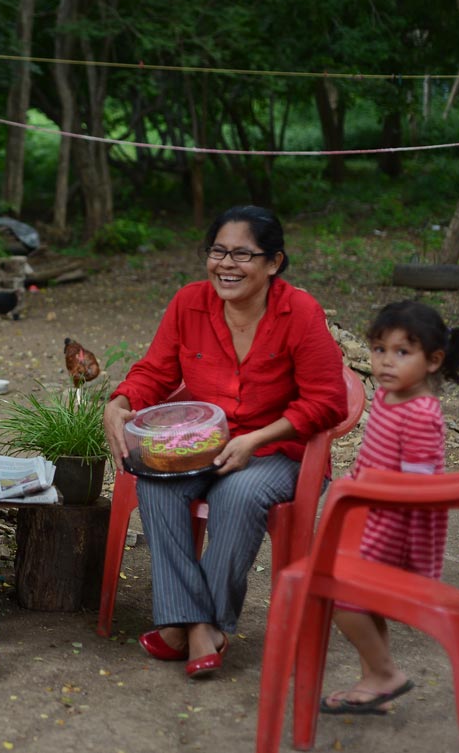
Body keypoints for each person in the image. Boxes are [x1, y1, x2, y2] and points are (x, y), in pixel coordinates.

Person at [103, 205, 346, 679]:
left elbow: (328, 401)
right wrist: (121, 400)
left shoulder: (299, 312)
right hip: (202, 445)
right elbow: (155, 371)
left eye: (242, 254)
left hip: (279, 452)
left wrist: (256, 438)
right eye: (217, 251)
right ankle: (200, 627)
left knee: (237, 494)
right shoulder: (189, 303)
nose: (226, 264)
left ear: (273, 262)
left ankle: (189, 628)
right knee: (153, 482)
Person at [320, 301, 459, 715]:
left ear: (434, 360)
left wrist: (365, 490)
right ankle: (376, 683)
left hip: (396, 524)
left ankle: (385, 674)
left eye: (402, 352)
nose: (386, 362)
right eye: (380, 349)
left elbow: (416, 488)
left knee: (341, 597)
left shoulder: (421, 414)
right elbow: (376, 454)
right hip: (370, 515)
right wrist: (358, 475)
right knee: (358, 600)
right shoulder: (387, 396)